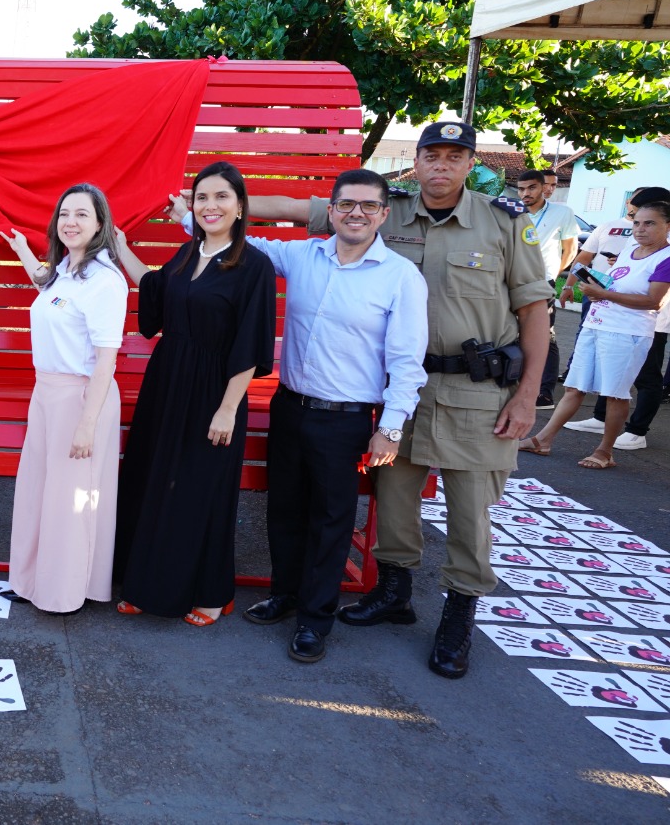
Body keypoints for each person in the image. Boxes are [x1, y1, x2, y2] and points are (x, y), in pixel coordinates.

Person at [248, 122, 550, 679]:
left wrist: (529, 395)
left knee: (468, 509)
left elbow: (534, 311)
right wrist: (213, 201)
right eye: (431, 155)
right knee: (395, 496)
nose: (441, 165)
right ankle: (395, 592)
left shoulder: (505, 222)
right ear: (415, 162)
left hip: (474, 389)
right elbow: (290, 207)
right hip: (393, 389)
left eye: (454, 156)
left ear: (469, 163)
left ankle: (458, 616)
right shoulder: (384, 207)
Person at [216, 169, 427, 664]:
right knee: (284, 511)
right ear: (330, 210)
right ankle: (285, 594)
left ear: (383, 214)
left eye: (368, 206)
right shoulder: (301, 255)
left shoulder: (400, 277)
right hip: (290, 407)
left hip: (347, 418)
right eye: (346, 204)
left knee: (330, 522)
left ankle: (315, 619)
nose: (356, 213)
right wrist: (192, 211)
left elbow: (406, 362)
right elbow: (233, 242)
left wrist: (390, 428)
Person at [108, 162, 276, 626]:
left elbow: (250, 344)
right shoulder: (186, 253)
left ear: (240, 206)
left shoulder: (254, 266)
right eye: (202, 197)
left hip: (215, 392)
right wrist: (122, 248)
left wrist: (227, 409)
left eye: (222, 197)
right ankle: (148, 584)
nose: (211, 205)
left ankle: (210, 592)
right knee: (155, 480)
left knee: (200, 491)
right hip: (167, 383)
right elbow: (155, 290)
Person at [0, 184, 126, 615]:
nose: (70, 221)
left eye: (82, 214)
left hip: (81, 396)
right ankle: (33, 580)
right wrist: (21, 252)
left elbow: (107, 359)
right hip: (47, 394)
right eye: (64, 213)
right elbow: (48, 291)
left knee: (72, 499)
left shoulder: (105, 281)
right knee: (40, 489)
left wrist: (87, 424)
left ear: (100, 224)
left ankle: (63, 592)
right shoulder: (67, 271)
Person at [520, 199, 670, 468]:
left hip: (628, 333)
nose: (640, 229)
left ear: (667, 226)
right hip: (597, 324)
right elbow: (617, 285)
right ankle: (543, 439)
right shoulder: (629, 250)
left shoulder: (666, 258)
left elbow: (653, 301)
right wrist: (599, 286)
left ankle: (605, 451)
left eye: (649, 223)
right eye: (636, 222)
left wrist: (601, 293)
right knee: (574, 387)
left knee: (615, 393)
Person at [563, 186, 670, 445]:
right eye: (634, 217)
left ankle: (636, 432)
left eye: (643, 217)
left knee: (645, 377)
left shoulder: (663, 246)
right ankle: (601, 418)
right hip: (615, 317)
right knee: (611, 376)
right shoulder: (637, 238)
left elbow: (653, 296)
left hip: (650, 319)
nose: (637, 223)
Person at [514, 170, 580, 409]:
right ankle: (513, 385)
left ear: (544, 188)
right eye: (521, 189)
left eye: (531, 188)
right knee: (508, 332)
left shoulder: (562, 213)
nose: (525, 194)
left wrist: (551, 276)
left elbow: (570, 250)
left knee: (544, 336)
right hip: (511, 281)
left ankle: (544, 393)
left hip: (542, 283)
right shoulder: (512, 211)